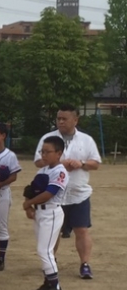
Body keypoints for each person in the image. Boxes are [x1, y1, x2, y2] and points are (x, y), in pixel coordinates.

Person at [33, 104, 101, 280]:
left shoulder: (86, 140)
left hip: (79, 193)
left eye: (65, 119)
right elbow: (38, 162)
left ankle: (85, 264)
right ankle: (51, 261)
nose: (61, 122)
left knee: (82, 230)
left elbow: (96, 163)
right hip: (54, 194)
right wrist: (59, 163)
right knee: (53, 231)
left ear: (75, 120)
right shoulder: (48, 138)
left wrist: (82, 164)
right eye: (58, 119)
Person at [23, 136, 68, 290]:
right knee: (44, 250)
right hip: (40, 213)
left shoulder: (60, 171)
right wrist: (28, 202)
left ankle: (55, 286)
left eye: (47, 152)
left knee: (45, 250)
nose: (43, 155)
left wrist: (29, 204)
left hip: (52, 213)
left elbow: (49, 193)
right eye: (42, 151)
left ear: (58, 153)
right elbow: (31, 189)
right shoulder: (42, 170)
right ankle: (48, 283)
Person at [0, 124, 21, 271]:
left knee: (2, 226)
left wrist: (0, 184)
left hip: (2, 193)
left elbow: (13, 176)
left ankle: (0, 257)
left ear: (3, 136)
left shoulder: (10, 155)